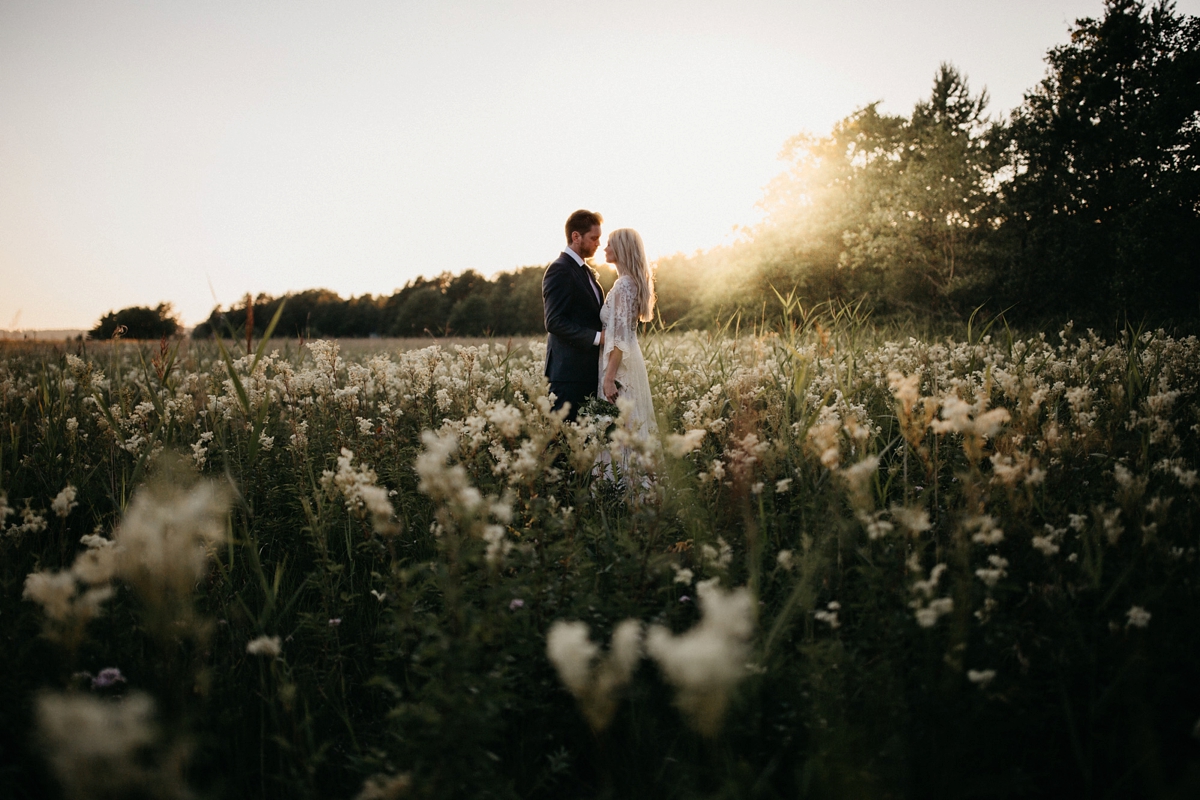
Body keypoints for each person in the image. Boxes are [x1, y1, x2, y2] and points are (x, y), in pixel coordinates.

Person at [542, 210, 605, 421]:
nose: (598, 243)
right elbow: (554, 321)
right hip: (568, 376)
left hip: (587, 373)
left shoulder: (584, 271)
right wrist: (598, 338)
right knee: (563, 444)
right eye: (594, 238)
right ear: (576, 236)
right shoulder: (560, 270)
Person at [599, 228, 657, 441]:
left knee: (621, 427)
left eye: (609, 244)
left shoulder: (623, 285)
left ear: (621, 249)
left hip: (619, 367)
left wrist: (609, 378)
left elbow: (619, 338)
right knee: (630, 426)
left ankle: (625, 474)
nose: (605, 248)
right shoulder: (630, 282)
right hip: (629, 360)